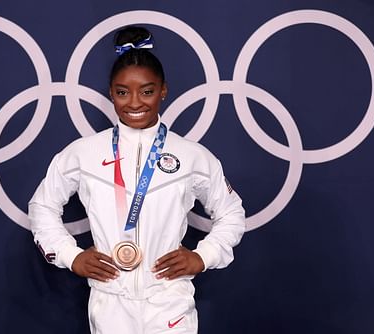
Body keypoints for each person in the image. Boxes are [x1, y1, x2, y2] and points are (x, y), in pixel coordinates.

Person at [29, 26, 245, 334]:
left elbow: (232, 213)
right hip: (109, 302)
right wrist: (70, 255)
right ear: (111, 93)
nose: (134, 103)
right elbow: (42, 206)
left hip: (169, 300)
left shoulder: (192, 155)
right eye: (122, 92)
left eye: (147, 91)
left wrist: (204, 256)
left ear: (163, 90)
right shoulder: (82, 153)